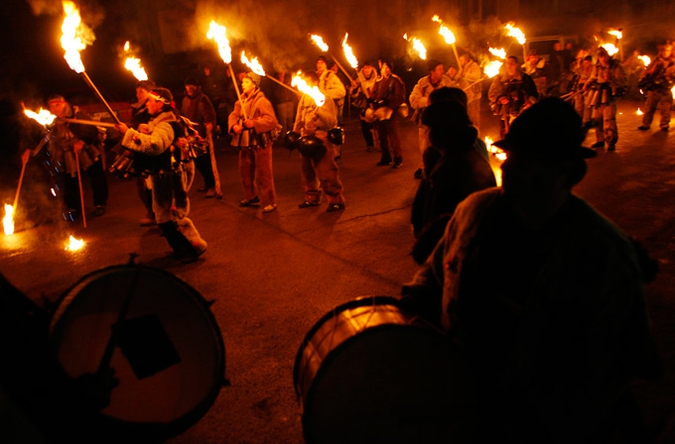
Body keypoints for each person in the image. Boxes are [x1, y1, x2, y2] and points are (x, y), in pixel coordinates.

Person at [401, 97, 661, 443]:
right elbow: (427, 288)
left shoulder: (605, 254)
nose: (511, 170)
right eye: (512, 157)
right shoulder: (472, 212)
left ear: (570, 173)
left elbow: (620, 369)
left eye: (533, 162)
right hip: (465, 412)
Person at [115, 88, 207, 263]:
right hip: (163, 174)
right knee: (162, 216)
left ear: (160, 103)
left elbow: (156, 145)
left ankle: (194, 247)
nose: (146, 103)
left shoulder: (167, 123)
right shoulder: (160, 121)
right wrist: (142, 129)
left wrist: (129, 133)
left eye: (150, 101)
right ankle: (181, 249)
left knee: (172, 215)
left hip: (170, 175)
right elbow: (155, 136)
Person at [410, 101, 496, 264]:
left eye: (429, 130)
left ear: (441, 132)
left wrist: (429, 248)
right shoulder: (445, 161)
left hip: (456, 260)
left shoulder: (457, 168)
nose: (426, 136)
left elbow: (448, 222)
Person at [24, 94, 109, 220]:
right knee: (69, 181)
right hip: (66, 153)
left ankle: (100, 204)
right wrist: (29, 149)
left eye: (58, 105)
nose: (55, 109)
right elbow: (40, 136)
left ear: (64, 104)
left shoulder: (77, 114)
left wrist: (82, 141)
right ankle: (73, 207)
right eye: (52, 106)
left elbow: (91, 130)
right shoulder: (49, 119)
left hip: (86, 149)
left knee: (96, 176)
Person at [292, 71, 346, 212]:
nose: (306, 85)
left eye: (309, 82)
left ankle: (336, 199)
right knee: (306, 170)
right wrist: (295, 132)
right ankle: (311, 197)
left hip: (321, 136)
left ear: (315, 83)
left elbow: (332, 121)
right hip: (305, 137)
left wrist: (319, 113)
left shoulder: (324, 98)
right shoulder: (304, 99)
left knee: (326, 170)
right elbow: (299, 117)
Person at [228, 72, 280, 214]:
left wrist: (254, 123)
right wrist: (234, 126)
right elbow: (233, 115)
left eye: (246, 82)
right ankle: (251, 196)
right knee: (245, 171)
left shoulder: (262, 101)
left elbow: (271, 120)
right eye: (242, 82)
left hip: (260, 143)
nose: (242, 84)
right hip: (245, 142)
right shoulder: (240, 101)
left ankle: (270, 201)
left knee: (264, 173)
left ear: (254, 84)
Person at [409, 59, 454, 179]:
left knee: (442, 145)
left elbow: (453, 98)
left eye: (442, 69)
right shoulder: (422, 83)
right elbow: (413, 100)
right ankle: (424, 168)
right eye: (439, 69)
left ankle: (442, 168)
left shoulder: (447, 82)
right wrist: (428, 100)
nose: (442, 72)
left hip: (442, 121)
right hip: (426, 121)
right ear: (432, 71)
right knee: (424, 146)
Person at [181, 76, 219, 197]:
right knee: (198, 162)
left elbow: (210, 115)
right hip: (190, 137)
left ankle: (212, 185)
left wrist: (209, 126)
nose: (190, 88)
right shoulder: (185, 101)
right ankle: (207, 183)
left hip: (202, 136)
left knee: (206, 162)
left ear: (198, 87)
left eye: (192, 85)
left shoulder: (202, 99)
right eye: (188, 85)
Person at [584, 46, 627, 150]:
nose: (602, 59)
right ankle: (600, 140)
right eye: (600, 56)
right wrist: (587, 84)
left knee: (609, 119)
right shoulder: (597, 67)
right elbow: (593, 77)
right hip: (597, 95)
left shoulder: (615, 67)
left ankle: (611, 141)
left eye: (604, 56)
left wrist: (611, 80)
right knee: (597, 119)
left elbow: (623, 81)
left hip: (609, 95)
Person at [488, 55, 538, 139]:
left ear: (517, 65)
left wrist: (530, 101)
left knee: (523, 133)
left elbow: (534, 93)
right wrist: (500, 98)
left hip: (522, 111)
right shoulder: (499, 78)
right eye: (508, 63)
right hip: (505, 112)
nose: (509, 65)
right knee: (505, 135)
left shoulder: (525, 78)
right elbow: (492, 93)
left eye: (512, 63)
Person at [371, 58, 407, 168]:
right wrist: (372, 100)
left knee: (393, 136)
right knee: (381, 136)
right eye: (383, 68)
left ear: (390, 69)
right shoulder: (378, 81)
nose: (385, 70)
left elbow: (400, 97)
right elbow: (374, 93)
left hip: (391, 111)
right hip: (380, 111)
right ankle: (386, 157)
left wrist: (387, 101)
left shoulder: (395, 81)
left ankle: (398, 158)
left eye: (387, 68)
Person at [638, 43, 675, 132]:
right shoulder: (656, 61)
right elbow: (648, 72)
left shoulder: (673, 62)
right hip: (654, 87)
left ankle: (664, 124)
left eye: (668, 51)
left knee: (665, 108)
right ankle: (645, 124)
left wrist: (669, 75)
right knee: (649, 107)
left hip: (665, 88)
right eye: (664, 50)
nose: (665, 52)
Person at [447, 51, 484, 132]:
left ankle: (476, 138)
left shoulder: (474, 66)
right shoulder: (462, 68)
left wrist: (465, 75)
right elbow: (458, 77)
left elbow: (476, 77)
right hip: (465, 97)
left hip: (474, 97)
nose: (459, 62)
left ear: (466, 60)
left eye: (461, 60)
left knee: (474, 120)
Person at [349, 60, 379, 153]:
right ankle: (369, 144)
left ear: (372, 68)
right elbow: (353, 95)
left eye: (369, 68)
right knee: (365, 125)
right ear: (363, 69)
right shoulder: (359, 79)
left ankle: (379, 143)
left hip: (375, 103)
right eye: (365, 68)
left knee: (377, 125)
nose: (367, 70)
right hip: (363, 105)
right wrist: (354, 87)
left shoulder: (377, 78)